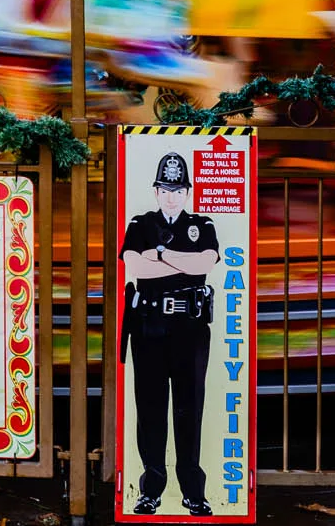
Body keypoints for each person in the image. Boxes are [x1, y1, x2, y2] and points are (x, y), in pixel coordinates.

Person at [120, 151, 221, 516]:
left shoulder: (201, 224)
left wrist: (160, 255)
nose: (172, 196)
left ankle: (193, 491)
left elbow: (205, 263)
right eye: (166, 189)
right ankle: (151, 488)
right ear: (156, 190)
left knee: (189, 408)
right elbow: (135, 268)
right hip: (149, 326)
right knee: (151, 408)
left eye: (178, 189)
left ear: (187, 192)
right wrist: (180, 261)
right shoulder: (140, 223)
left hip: (190, 328)